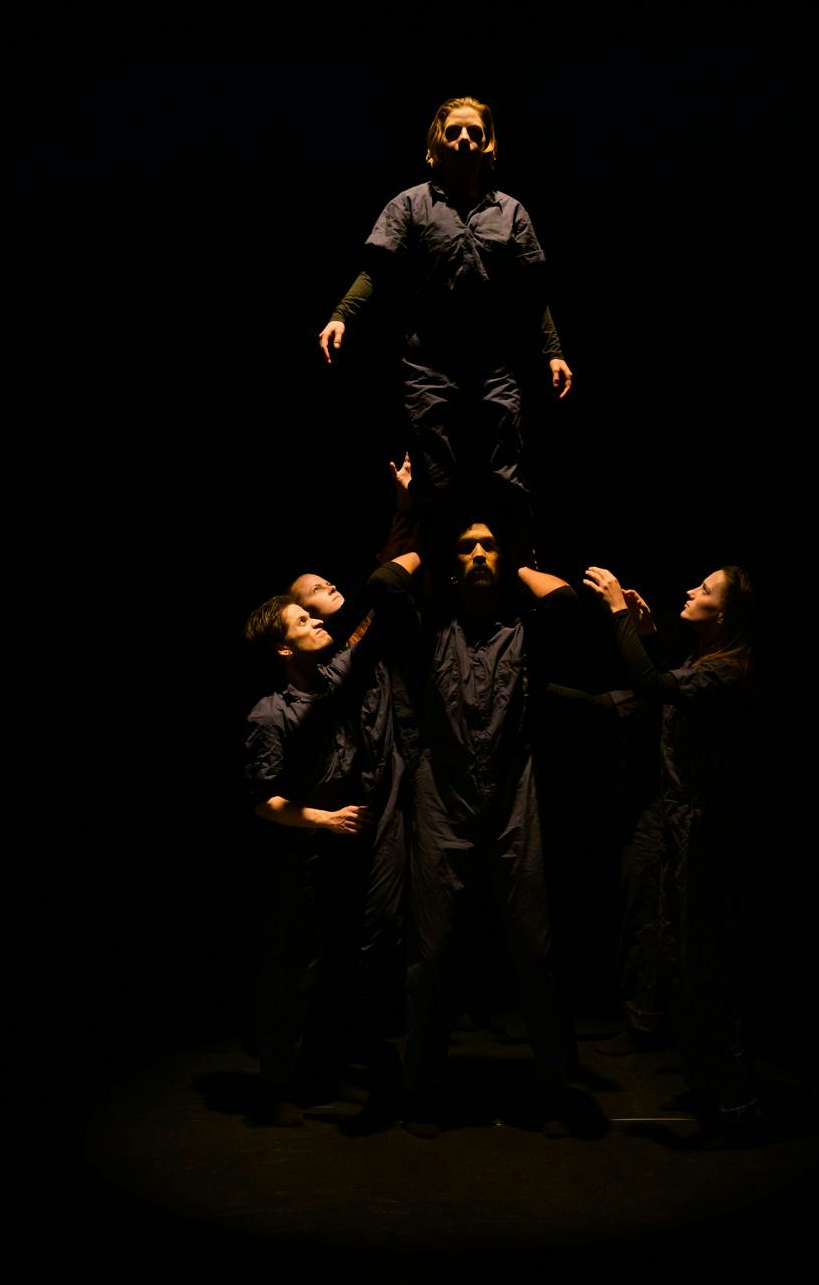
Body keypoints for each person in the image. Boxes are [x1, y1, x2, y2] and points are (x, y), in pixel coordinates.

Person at [370, 516, 595, 1139]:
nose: (477, 555)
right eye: (467, 547)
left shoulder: (525, 631)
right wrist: (426, 549)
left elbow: (566, 602)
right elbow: (384, 587)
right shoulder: (429, 631)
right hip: (441, 800)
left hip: (513, 800)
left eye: (487, 547)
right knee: (431, 953)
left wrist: (514, 561)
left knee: (536, 950)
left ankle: (554, 1090)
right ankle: (420, 1091)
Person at [317, 95, 572, 557]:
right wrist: (341, 315)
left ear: (488, 144)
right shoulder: (410, 205)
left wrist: (553, 351)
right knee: (437, 475)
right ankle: (436, 572)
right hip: (429, 362)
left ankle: (518, 566)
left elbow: (531, 293)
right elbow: (377, 271)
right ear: (437, 144)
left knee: (505, 470)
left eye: (475, 132)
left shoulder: (511, 212)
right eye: (454, 132)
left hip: (494, 364)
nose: (465, 139)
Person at [581, 562, 760, 1142]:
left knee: (704, 963)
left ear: (724, 612)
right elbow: (668, 682)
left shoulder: (729, 670)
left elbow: (657, 687)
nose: (690, 590)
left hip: (706, 826)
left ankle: (735, 1102)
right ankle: (712, 1089)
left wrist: (618, 614)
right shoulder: (706, 660)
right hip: (681, 817)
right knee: (675, 947)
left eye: (704, 589)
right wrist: (647, 633)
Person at [243, 552, 418, 1126]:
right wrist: (324, 819)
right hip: (299, 856)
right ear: (283, 649)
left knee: (336, 967)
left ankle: (321, 1072)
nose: (317, 622)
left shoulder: (335, 680)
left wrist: (401, 543)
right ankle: (276, 1086)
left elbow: (366, 627)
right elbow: (263, 801)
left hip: (340, 849)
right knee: (293, 972)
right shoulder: (270, 715)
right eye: (303, 620)